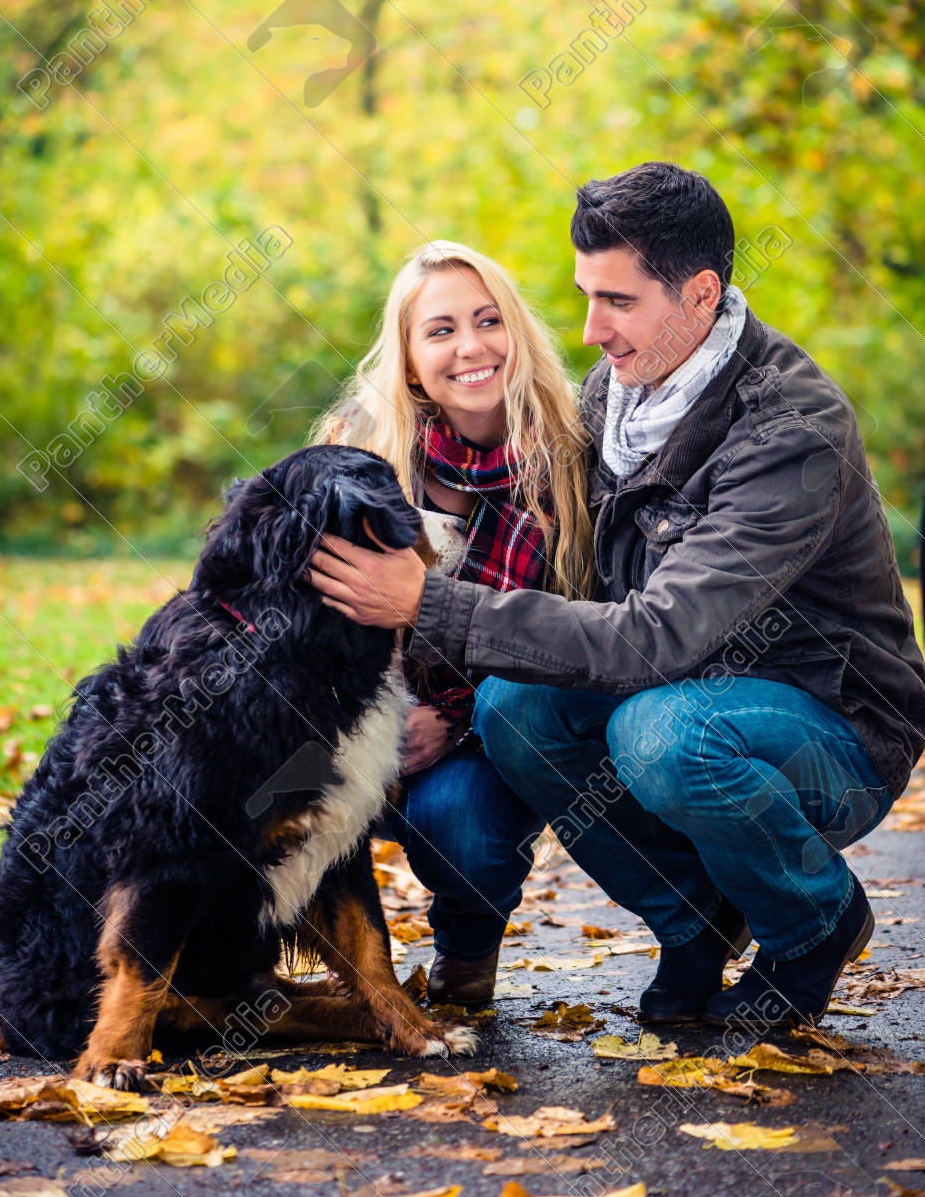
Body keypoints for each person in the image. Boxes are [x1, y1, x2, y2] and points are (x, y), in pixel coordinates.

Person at [307, 162, 925, 1030]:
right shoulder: (623, 393)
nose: (591, 330)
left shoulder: (787, 429)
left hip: (829, 723)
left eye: (618, 301)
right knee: (517, 705)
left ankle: (815, 923)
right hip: (689, 690)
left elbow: (655, 637)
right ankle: (696, 924)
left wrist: (431, 603)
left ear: (700, 295)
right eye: (585, 297)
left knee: (661, 734)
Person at [310, 241, 594, 1004]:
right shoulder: (359, 450)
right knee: (232, 800)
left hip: (480, 732)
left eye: (488, 320)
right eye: (439, 330)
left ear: (517, 333)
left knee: (461, 824)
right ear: (407, 359)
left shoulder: (568, 461)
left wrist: (457, 725)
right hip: (352, 719)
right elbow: (304, 617)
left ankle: (467, 947)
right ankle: (222, 966)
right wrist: (371, 722)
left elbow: (579, 639)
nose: (471, 347)